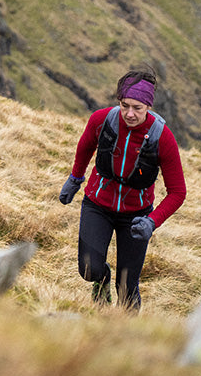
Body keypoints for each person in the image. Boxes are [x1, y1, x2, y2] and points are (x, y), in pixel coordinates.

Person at [58, 66, 186, 309]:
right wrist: (75, 179)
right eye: (124, 105)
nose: (129, 113)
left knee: (127, 287)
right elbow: (85, 146)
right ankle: (101, 279)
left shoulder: (163, 138)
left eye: (137, 108)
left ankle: (126, 336)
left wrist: (152, 221)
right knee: (89, 269)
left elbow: (178, 192)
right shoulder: (102, 120)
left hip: (136, 217)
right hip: (97, 204)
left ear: (148, 106)